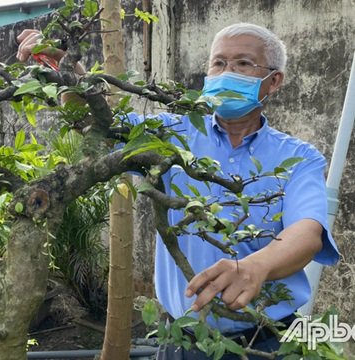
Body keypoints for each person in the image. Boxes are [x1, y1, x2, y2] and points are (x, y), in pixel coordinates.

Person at [17, 23, 340, 359]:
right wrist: (63, 66)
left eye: (243, 64)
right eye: (218, 63)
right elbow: (95, 121)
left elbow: (307, 233)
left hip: (269, 340)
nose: (227, 72)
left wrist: (254, 267)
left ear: (273, 81)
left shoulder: (298, 157)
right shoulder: (170, 132)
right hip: (181, 342)